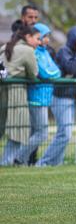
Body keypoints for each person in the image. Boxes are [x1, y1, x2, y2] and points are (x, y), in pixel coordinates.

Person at [36, 25, 76, 166]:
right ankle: (43, 162)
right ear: (74, 39)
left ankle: (57, 163)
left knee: (64, 133)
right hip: (60, 96)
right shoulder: (64, 51)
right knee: (65, 133)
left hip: (71, 97)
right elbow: (71, 68)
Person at [15, 23, 61, 165]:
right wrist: (51, 74)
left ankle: (23, 160)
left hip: (45, 96)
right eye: (44, 36)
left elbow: (57, 71)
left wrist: (52, 74)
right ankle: (18, 158)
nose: (47, 39)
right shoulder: (34, 52)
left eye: (47, 36)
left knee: (36, 132)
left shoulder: (45, 52)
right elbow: (44, 72)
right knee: (42, 133)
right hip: (36, 97)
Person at [0, 24, 41, 165]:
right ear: (28, 37)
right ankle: (6, 162)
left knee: (5, 128)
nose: (39, 42)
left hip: (2, 92)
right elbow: (34, 74)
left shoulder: (5, 47)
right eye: (37, 38)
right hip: (16, 92)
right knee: (18, 129)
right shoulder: (27, 50)